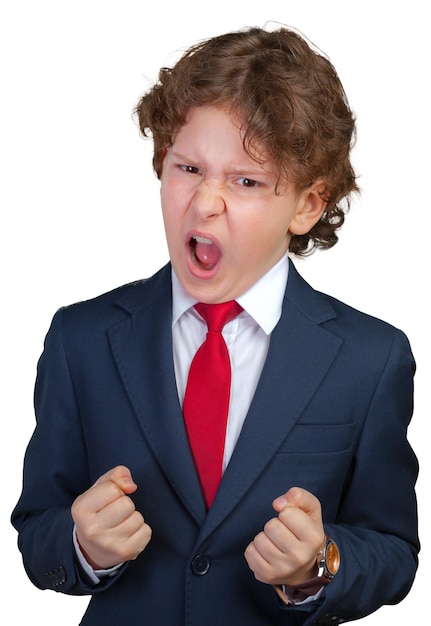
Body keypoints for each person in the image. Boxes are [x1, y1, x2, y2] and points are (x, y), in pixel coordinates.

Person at [11, 26, 419, 626]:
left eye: (245, 181)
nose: (204, 202)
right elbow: (36, 528)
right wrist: (81, 546)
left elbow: (393, 552)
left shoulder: (370, 358)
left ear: (308, 203)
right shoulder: (82, 339)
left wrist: (320, 564)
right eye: (188, 167)